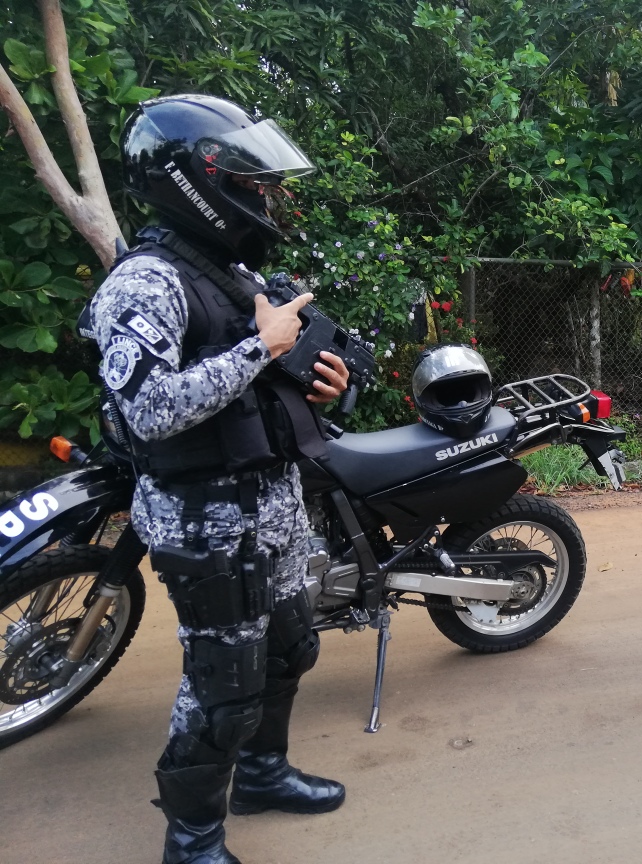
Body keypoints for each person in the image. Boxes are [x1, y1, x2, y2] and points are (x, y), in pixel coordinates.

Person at [86, 95, 350, 864]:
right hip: (204, 523)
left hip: (272, 509)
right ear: (193, 180)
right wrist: (261, 349)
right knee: (223, 685)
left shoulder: (230, 270)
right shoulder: (143, 284)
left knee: (290, 649)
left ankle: (263, 775)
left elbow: (259, 386)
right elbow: (148, 412)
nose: (262, 194)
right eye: (246, 179)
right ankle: (193, 839)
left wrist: (322, 380)